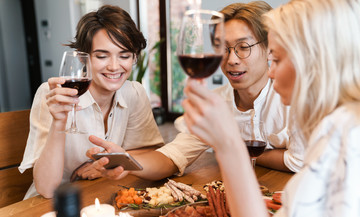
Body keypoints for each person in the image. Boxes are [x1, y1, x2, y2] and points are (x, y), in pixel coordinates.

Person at [182, 0, 360, 217]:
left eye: (275, 58)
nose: (271, 71)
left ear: (313, 60)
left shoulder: (344, 137)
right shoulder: (338, 125)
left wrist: (229, 146)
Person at [82, 1, 305, 184]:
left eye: (243, 47)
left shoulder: (293, 95)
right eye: (223, 48)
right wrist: (127, 162)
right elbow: (173, 157)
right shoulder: (215, 104)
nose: (232, 59)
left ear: (269, 48)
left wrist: (230, 147)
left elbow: (300, 161)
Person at [19, 5, 165, 199]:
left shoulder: (134, 93)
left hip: (99, 196)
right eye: (102, 56)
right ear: (83, 57)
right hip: (48, 206)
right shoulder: (54, 94)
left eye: (124, 56)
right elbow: (46, 189)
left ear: (134, 57)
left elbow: (149, 151)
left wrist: (107, 163)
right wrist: (59, 121)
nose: (114, 66)